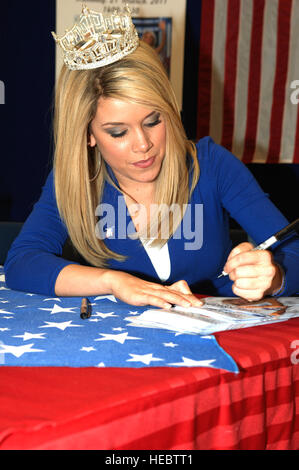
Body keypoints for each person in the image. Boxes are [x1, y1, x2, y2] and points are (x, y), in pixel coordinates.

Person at [4, 6, 299, 309]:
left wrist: (273, 276)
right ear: (87, 134)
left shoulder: (211, 165)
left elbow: (294, 254)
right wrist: (115, 282)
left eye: (153, 121)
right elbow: (22, 262)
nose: (143, 144)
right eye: (118, 132)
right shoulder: (78, 179)